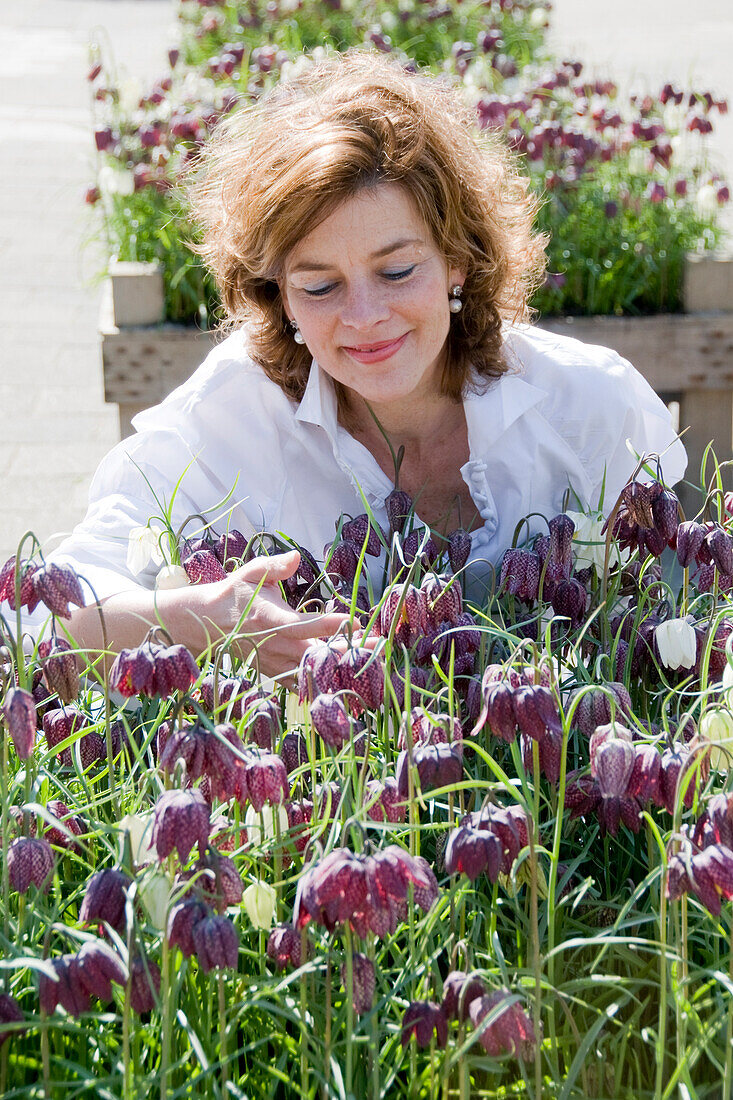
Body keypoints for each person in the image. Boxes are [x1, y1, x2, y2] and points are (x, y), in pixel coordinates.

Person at [7, 50, 686, 677]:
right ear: (276, 296)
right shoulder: (230, 418)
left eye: (396, 270)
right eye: (319, 286)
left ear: (456, 258)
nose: (363, 316)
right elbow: (27, 619)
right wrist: (185, 619)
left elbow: (686, 611)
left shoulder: (589, 405)